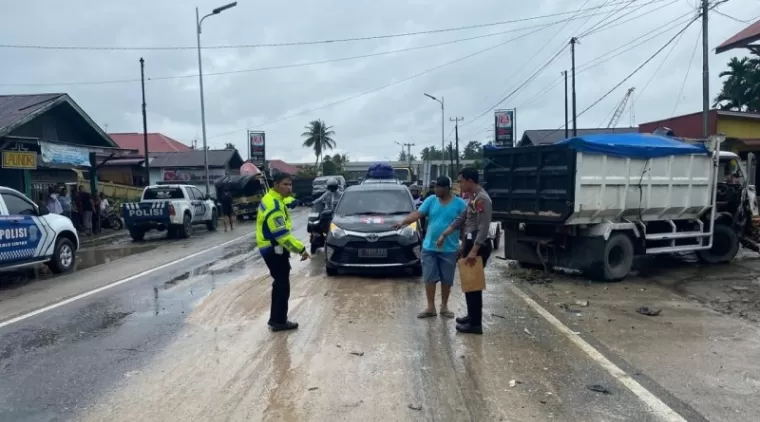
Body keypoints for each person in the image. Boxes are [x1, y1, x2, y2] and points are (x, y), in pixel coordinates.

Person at [392, 176, 467, 319]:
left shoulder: (460, 204)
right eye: (435, 186)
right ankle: (430, 307)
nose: (435, 189)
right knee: (429, 278)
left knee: (447, 279)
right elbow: (417, 214)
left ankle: (444, 306)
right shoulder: (431, 200)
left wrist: (463, 244)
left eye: (438, 187)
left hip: (449, 248)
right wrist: (403, 222)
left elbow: (465, 225)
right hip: (429, 247)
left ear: (446, 188)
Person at [438, 167, 493, 335]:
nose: (459, 184)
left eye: (461, 181)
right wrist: (446, 234)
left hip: (478, 245)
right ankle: (471, 316)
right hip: (470, 242)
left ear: (470, 181)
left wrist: (474, 250)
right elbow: (462, 218)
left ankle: (475, 324)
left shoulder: (482, 199)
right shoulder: (473, 198)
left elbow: (483, 228)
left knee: (473, 285)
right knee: (469, 284)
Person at [257, 172, 311, 332]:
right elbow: (282, 236)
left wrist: (294, 201)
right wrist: (301, 249)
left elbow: (285, 200)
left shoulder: (271, 197)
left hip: (268, 246)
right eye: (285, 185)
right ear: (276, 185)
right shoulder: (275, 207)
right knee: (282, 285)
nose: (289, 187)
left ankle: (276, 318)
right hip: (274, 249)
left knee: (279, 283)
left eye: (290, 184)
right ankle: (279, 321)